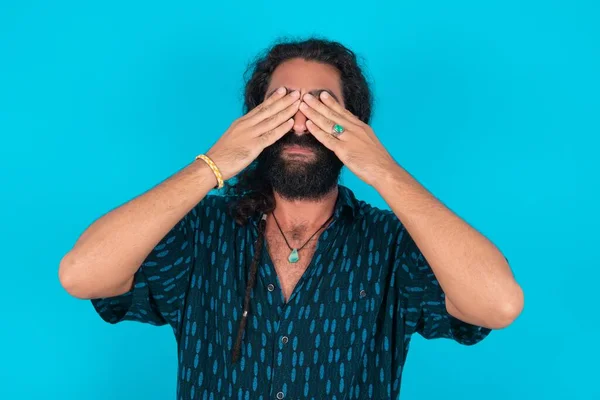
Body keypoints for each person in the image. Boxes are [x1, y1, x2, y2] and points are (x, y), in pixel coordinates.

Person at [59, 38, 524, 399]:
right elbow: (82, 274)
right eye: (281, 106)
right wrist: (214, 163)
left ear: (356, 126)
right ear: (254, 121)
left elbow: (497, 304)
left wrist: (383, 170)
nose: (299, 125)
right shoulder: (202, 231)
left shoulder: (390, 244)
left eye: (322, 108)